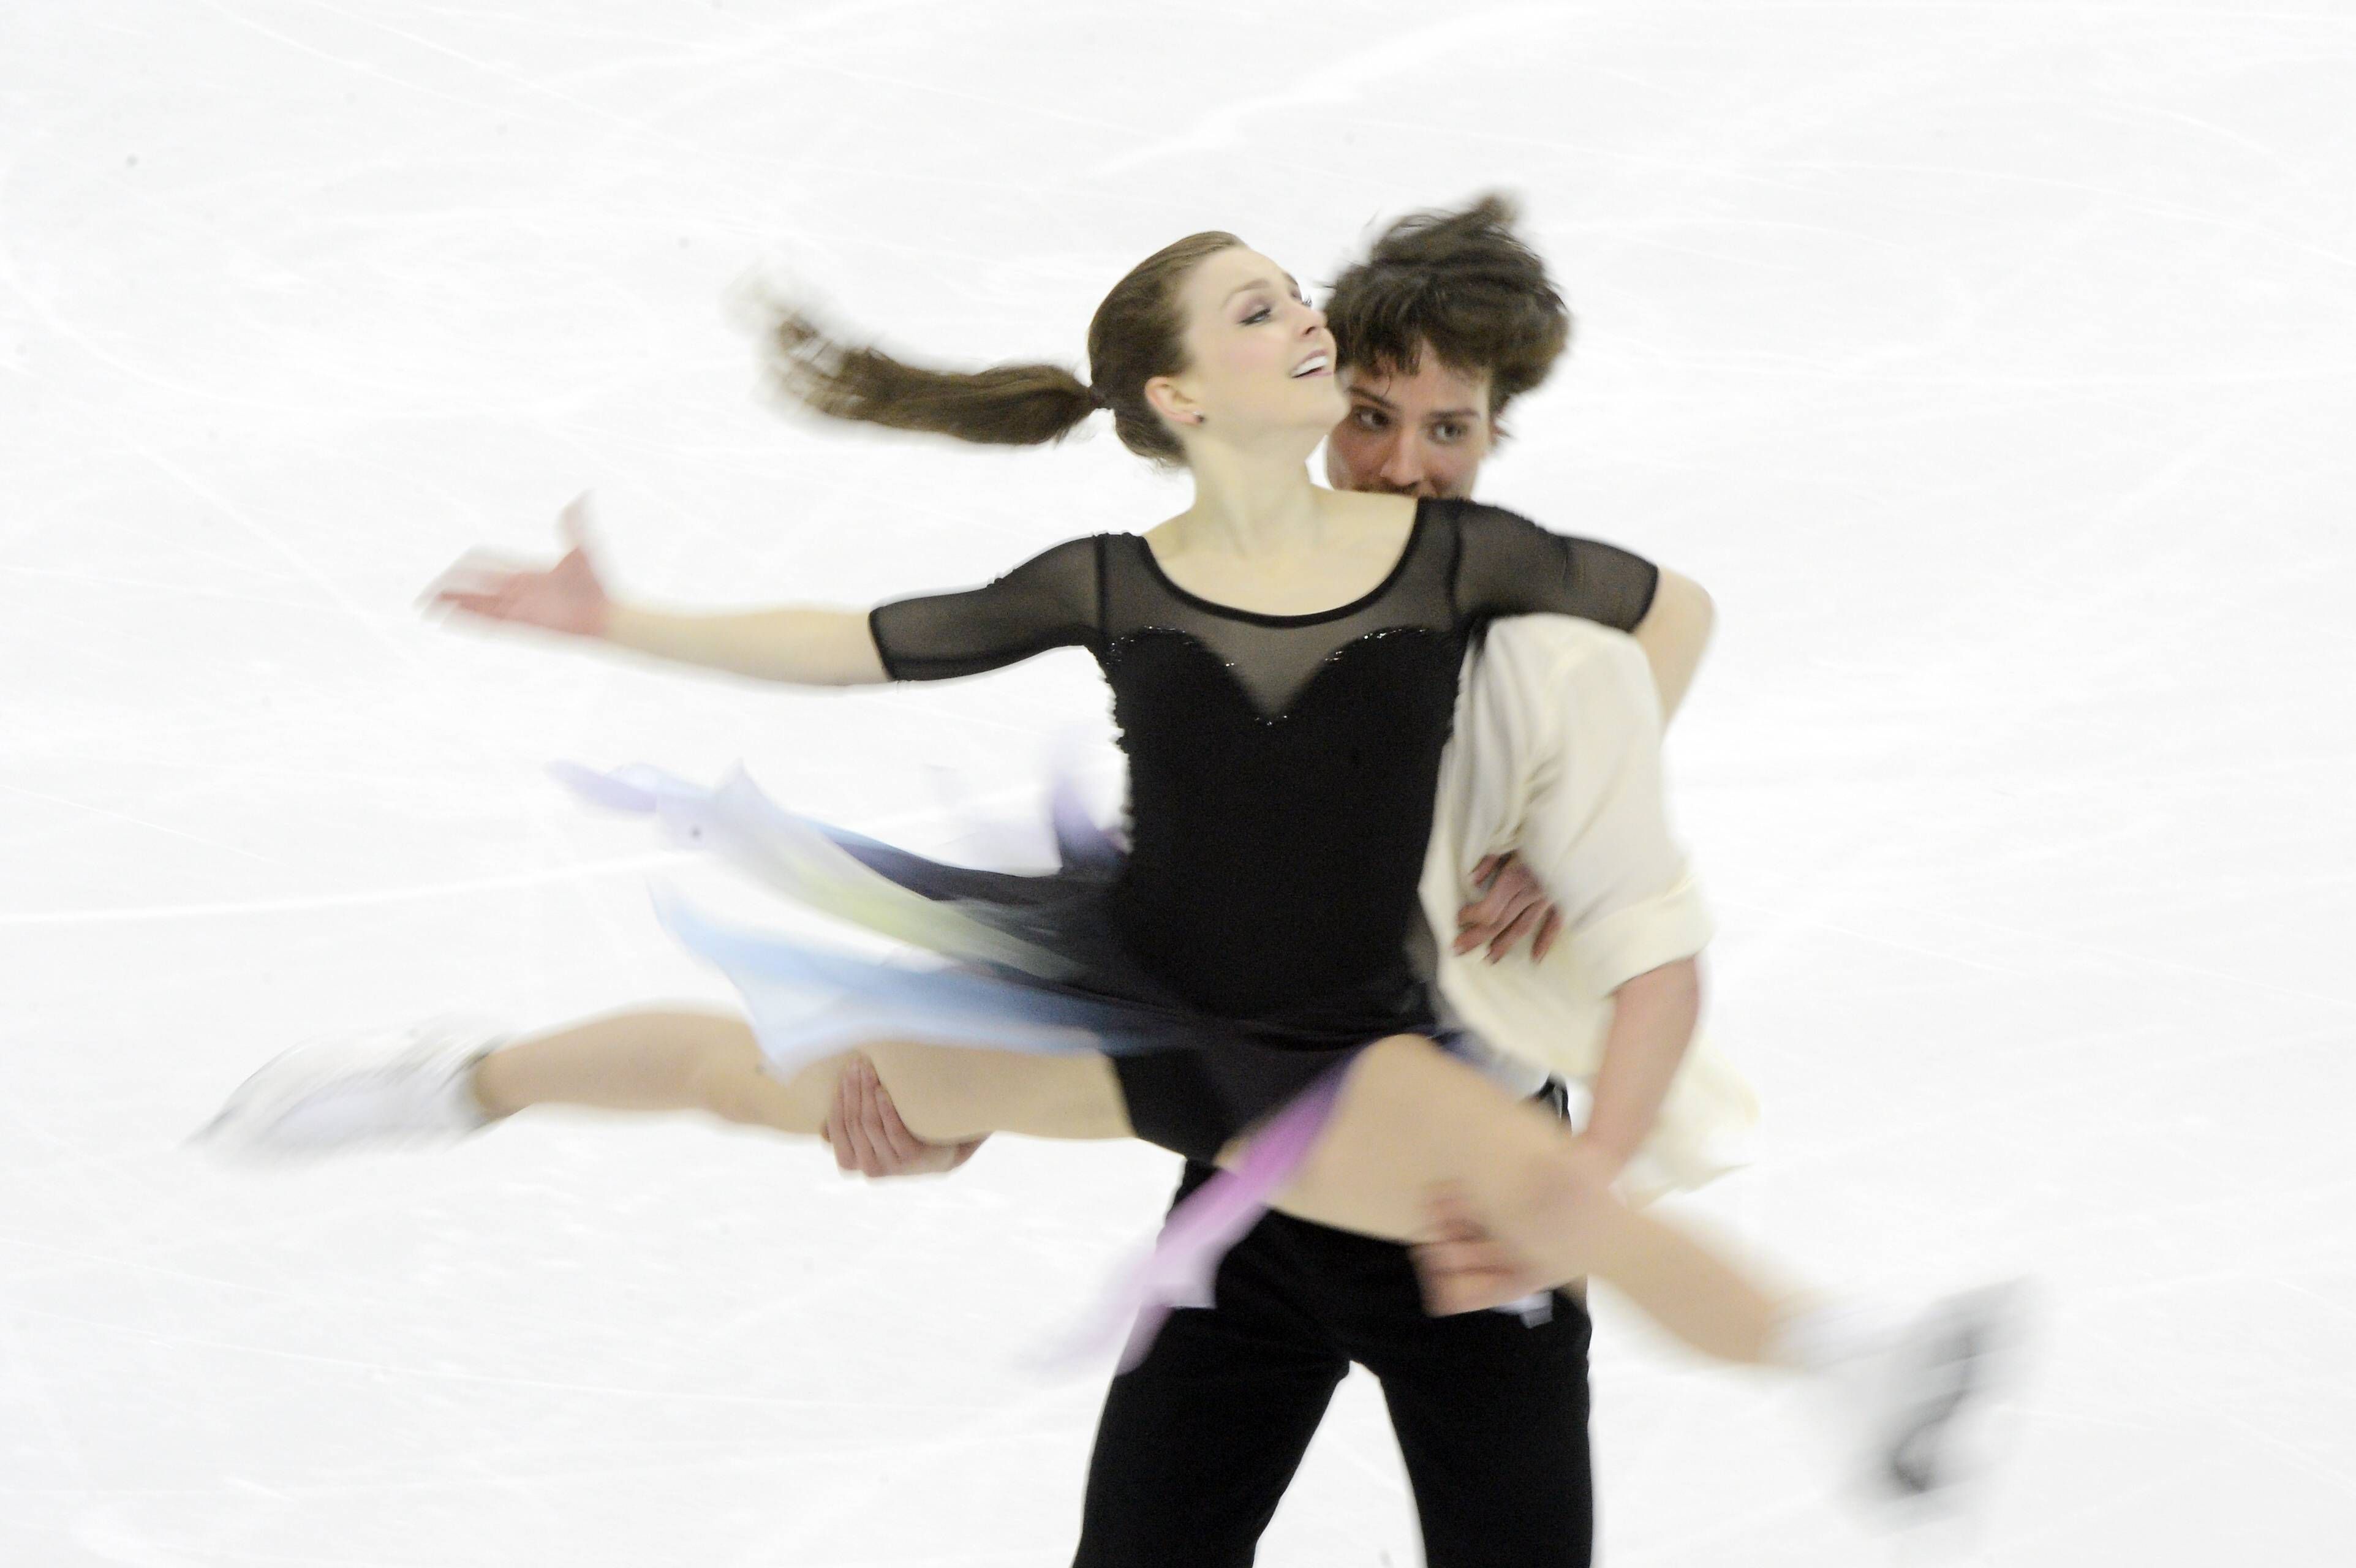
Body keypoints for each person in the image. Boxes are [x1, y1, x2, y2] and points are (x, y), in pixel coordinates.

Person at [203, 222, 2025, 1527]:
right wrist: (623, 619)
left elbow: (1669, 612)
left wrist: (1554, 835)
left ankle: (1860, 1358)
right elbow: (856, 641)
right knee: (754, 1073)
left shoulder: (1448, 559)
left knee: (1559, 1209)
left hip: (1336, 1056)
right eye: (1263, 307)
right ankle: (452, 1081)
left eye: (1293, 294)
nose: (1302, 315)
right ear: (1180, 390)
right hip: (1126, 1003)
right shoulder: (1110, 580)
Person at [830, 196, 1730, 1568]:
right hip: (1249, 1187)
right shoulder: (1241, 633)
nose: (1409, 464)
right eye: (1374, 416)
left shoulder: (1532, 649)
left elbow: (1679, 611)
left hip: (1464, 1208)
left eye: (1453, 430)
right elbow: (1161, 920)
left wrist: (1558, 830)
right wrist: (964, 1090)